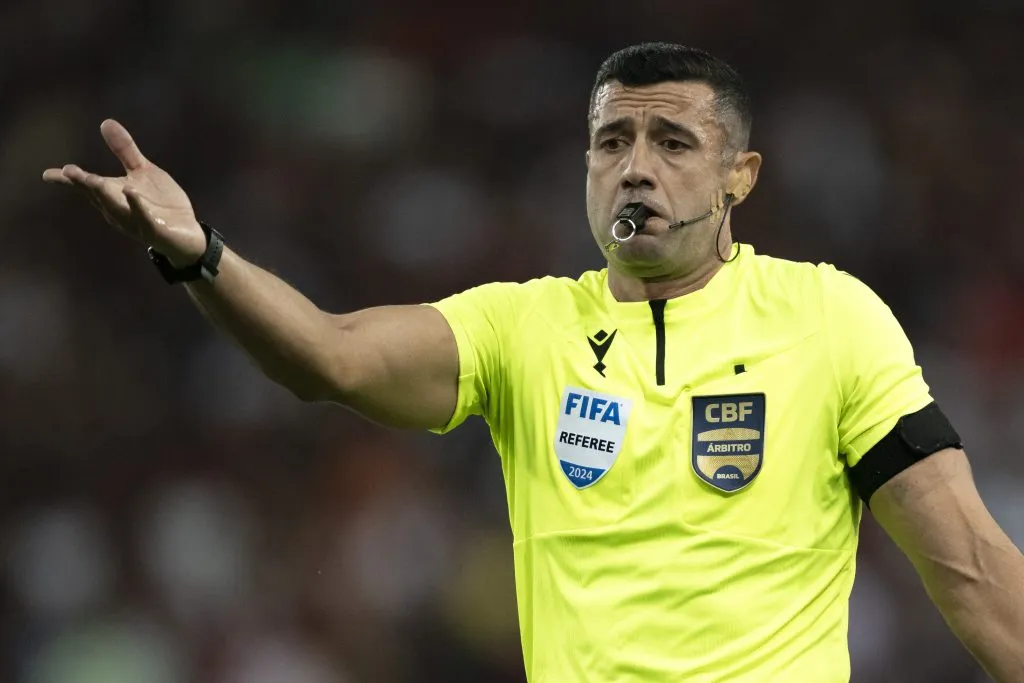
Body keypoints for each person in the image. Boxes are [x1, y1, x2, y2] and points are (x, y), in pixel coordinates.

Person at [43, 42, 1023, 682]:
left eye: (672, 140)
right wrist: (200, 254)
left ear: (740, 176)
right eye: (611, 140)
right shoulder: (522, 329)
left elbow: (972, 568)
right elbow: (328, 358)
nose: (635, 165)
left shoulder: (829, 316)